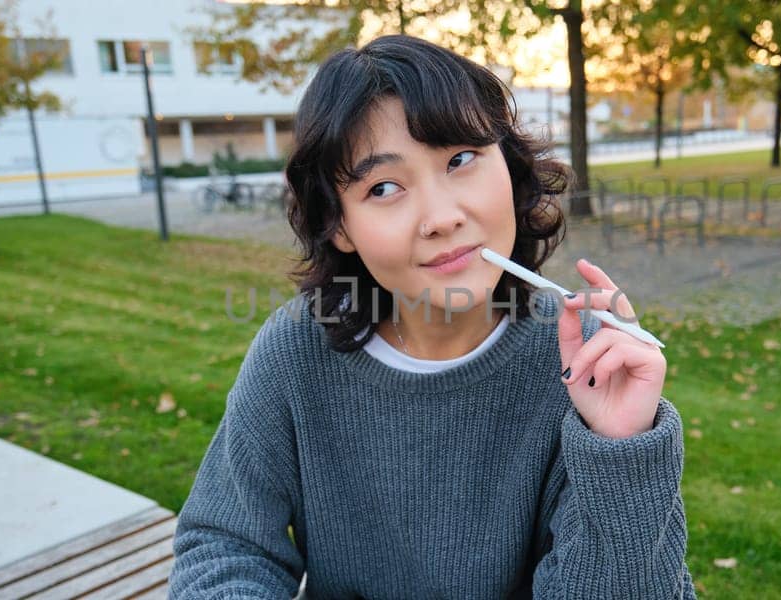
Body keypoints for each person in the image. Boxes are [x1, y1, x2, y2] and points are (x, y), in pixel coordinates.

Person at [167, 35, 696, 599]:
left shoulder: (587, 362)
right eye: (384, 187)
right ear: (339, 225)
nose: (441, 217)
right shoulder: (297, 350)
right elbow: (225, 547)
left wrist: (619, 450)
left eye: (460, 159)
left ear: (510, 168)